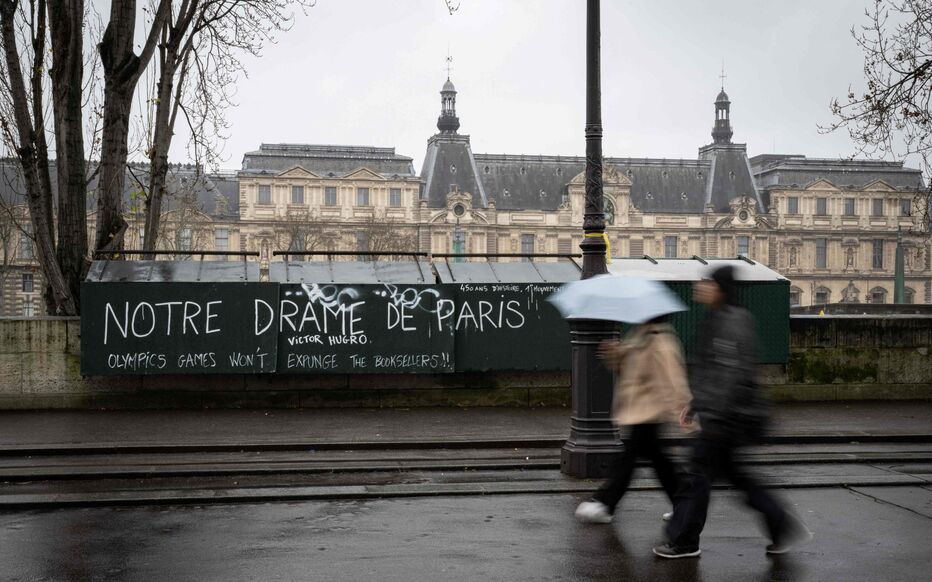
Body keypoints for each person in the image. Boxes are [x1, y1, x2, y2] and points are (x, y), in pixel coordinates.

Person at [654, 265, 811, 559]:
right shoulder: (722, 318)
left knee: (698, 480)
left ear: (720, 289)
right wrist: (696, 403)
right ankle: (780, 525)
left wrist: (711, 413)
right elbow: (718, 371)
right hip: (724, 415)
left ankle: (685, 542)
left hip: (724, 418)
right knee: (737, 478)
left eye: (706, 282)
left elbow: (729, 373)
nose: (699, 286)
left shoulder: (730, 322)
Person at [575, 314, 692, 525]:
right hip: (638, 409)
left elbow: (674, 379)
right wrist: (613, 352)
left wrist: (684, 411)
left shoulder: (660, 339)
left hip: (650, 411)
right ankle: (683, 503)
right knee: (659, 461)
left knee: (629, 459)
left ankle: (605, 502)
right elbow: (626, 365)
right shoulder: (641, 334)